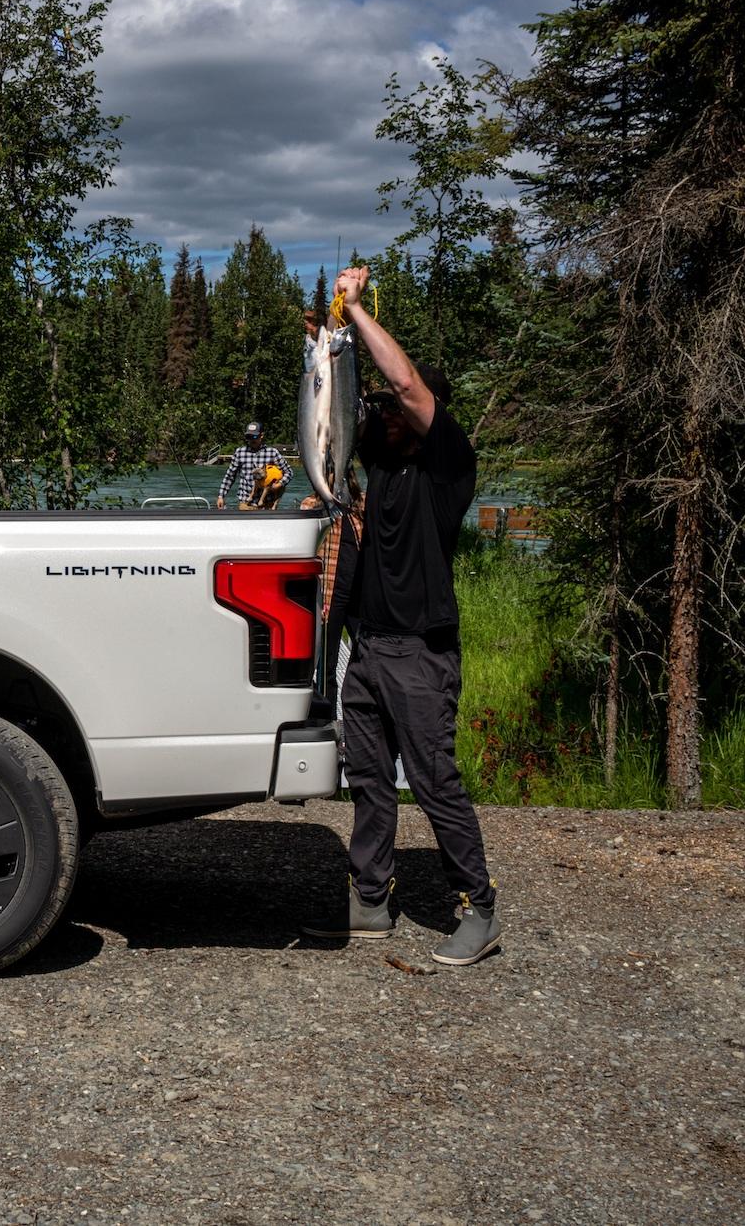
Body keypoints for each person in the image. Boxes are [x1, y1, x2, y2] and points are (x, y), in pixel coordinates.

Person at [301, 267, 501, 966]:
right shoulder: (378, 468)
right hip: (371, 651)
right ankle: (370, 899)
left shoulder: (450, 467)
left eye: (398, 408)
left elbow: (410, 386)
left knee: (434, 778)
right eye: (380, 407)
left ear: (430, 415)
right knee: (370, 784)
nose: (387, 411)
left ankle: (478, 905)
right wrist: (326, 346)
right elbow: (332, 412)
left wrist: (355, 311)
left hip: (422, 653)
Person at [214, 421, 292, 510]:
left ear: (261, 435)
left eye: (254, 436)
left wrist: (280, 484)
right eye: (248, 437)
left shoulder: (273, 453)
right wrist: (221, 496)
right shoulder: (239, 452)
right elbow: (230, 476)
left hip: (267, 505)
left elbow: (288, 472)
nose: (251, 440)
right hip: (246, 503)